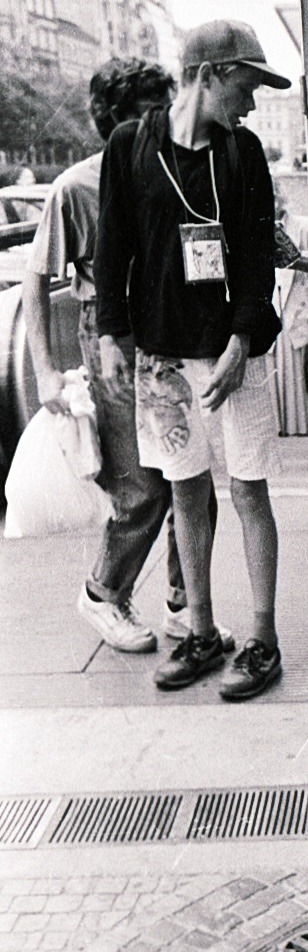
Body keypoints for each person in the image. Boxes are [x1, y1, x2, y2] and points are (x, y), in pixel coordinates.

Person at [95, 21, 290, 697]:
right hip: (163, 360)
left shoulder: (243, 155)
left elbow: (258, 258)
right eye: (247, 85)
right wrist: (111, 336)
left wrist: (243, 340)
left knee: (249, 489)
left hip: (234, 352)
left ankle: (262, 639)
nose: (253, 102)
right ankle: (201, 630)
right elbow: (113, 246)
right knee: (186, 491)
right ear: (208, 75)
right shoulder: (131, 146)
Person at [21, 56, 220, 654]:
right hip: (110, 335)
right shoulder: (75, 187)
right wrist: (45, 370)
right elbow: (36, 278)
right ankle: (104, 592)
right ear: (114, 121)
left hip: (170, 331)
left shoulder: (177, 168)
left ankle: (188, 606)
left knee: (192, 480)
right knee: (142, 487)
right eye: (145, 113)